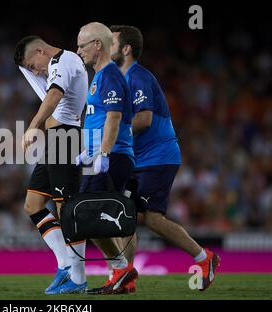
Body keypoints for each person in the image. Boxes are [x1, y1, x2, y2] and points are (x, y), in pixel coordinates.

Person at [102, 25, 220, 292]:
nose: (107, 47)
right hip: (137, 158)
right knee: (126, 216)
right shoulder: (118, 79)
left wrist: (112, 139)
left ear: (126, 49)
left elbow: (144, 119)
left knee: (152, 218)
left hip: (158, 157)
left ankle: (205, 258)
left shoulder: (138, 76)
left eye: (112, 42)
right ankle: (125, 279)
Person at [14, 36, 89, 294]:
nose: (36, 71)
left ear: (40, 50)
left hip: (66, 138)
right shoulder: (59, 62)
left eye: (33, 65)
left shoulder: (63, 60)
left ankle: (78, 279)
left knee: (65, 209)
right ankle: (65, 264)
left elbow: (55, 93)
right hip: (58, 141)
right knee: (33, 205)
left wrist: (33, 126)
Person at [74, 22, 138, 294]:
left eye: (81, 45)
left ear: (97, 45)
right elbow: (99, 118)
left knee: (89, 216)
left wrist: (102, 153)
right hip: (98, 156)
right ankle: (122, 272)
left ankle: (121, 269)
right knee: (90, 217)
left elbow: (114, 117)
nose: (78, 51)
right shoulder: (99, 77)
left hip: (111, 157)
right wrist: (88, 151)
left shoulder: (110, 74)